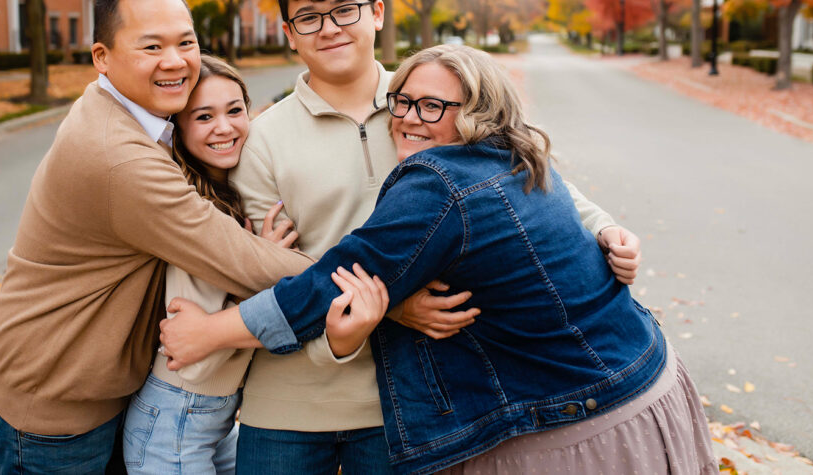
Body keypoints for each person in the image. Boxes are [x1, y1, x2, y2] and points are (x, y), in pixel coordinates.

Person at [161, 45, 718, 475]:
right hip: (645, 384)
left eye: (432, 106)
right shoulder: (515, 156)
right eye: (402, 102)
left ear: (479, 112)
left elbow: (334, 282)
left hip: (589, 424)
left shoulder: (441, 185)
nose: (408, 118)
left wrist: (209, 333)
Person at [218, 0, 643, 474]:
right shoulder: (261, 138)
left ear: (376, 13)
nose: (329, 28)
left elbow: (516, 171)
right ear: (289, 32)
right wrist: (391, 302)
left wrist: (604, 227)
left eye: (344, 10)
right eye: (308, 17)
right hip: (291, 401)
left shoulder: (427, 100)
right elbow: (263, 263)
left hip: (408, 398)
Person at [0, 0, 313, 475]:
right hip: (51, 415)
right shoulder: (119, 157)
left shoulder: (130, 114)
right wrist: (376, 287)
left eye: (186, 42)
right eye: (151, 46)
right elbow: (240, 262)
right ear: (102, 58)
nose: (175, 60)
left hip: (96, 394)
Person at [122, 55, 296, 474]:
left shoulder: (229, 192)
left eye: (235, 110)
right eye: (204, 116)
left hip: (211, 422)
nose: (225, 127)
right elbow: (195, 350)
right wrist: (267, 263)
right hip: (173, 421)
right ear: (179, 130)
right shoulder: (192, 215)